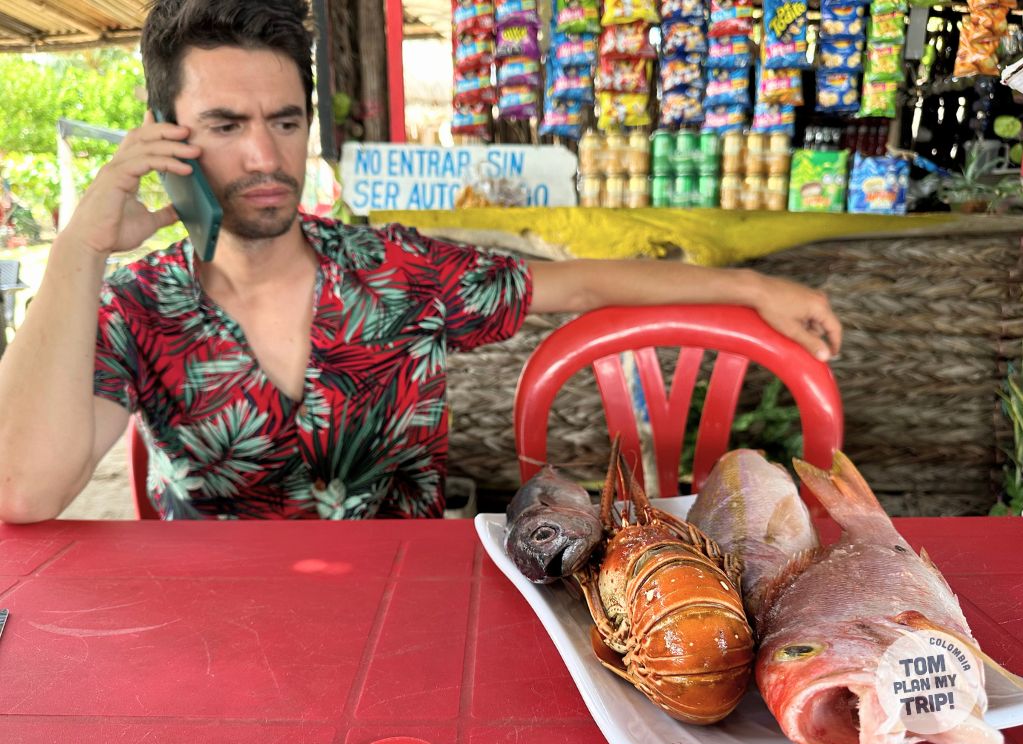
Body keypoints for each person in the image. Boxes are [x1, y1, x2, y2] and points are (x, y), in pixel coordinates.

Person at [0, 0, 841, 523]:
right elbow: (25, 492)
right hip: (221, 634)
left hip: (410, 614)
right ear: (166, 137)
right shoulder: (134, 310)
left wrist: (748, 284)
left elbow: (582, 279)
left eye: (286, 122)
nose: (265, 155)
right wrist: (77, 247)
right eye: (225, 125)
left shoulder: (397, 272)